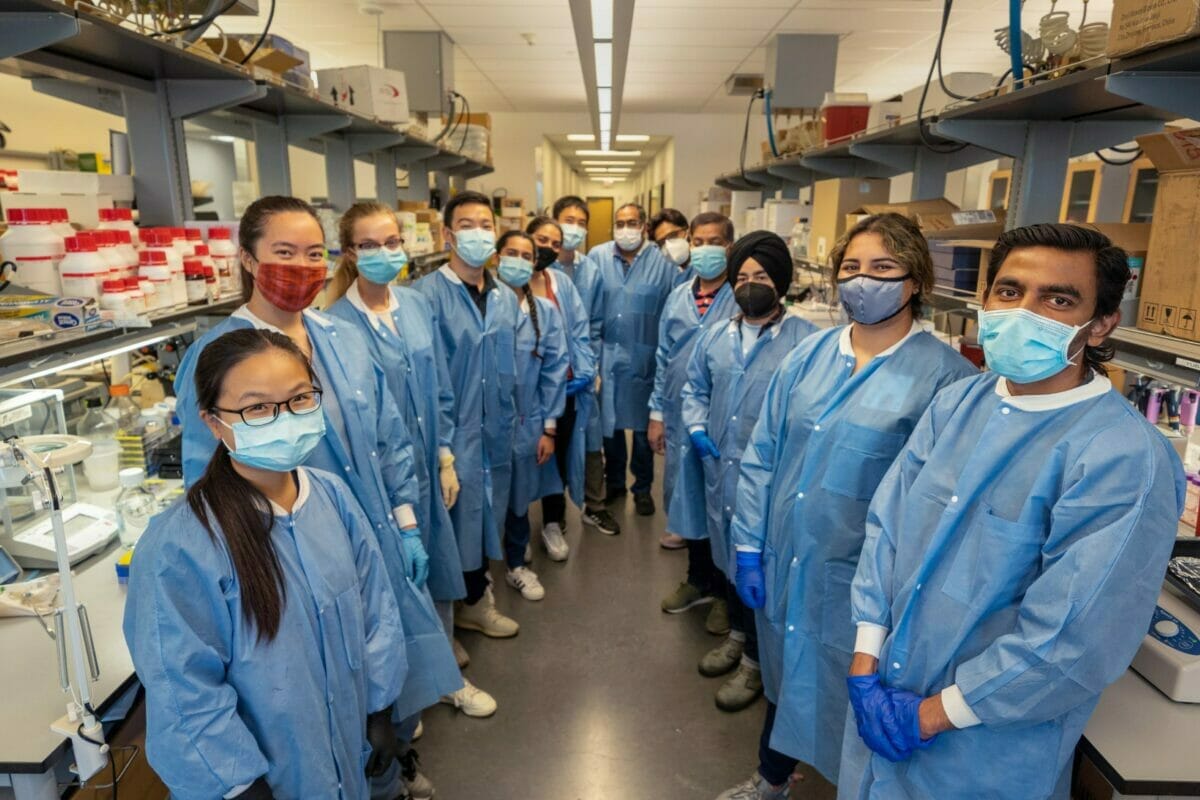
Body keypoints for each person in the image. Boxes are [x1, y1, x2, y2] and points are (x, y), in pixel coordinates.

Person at [840, 224, 1185, 799]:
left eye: (1058, 299)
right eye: (1008, 291)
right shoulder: (958, 403)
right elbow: (887, 530)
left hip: (980, 748)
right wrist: (864, 660)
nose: (1023, 311)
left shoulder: (1121, 457)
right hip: (882, 695)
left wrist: (930, 715)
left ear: (1100, 323)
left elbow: (1075, 639)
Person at [173, 197, 463, 752]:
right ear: (249, 260)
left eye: (313, 254)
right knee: (323, 692)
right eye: (283, 252)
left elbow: (389, 438)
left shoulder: (342, 337)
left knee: (390, 669)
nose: (301, 267)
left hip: (372, 537)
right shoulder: (217, 355)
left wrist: (404, 523)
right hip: (286, 556)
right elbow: (202, 476)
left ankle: (389, 770)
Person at [718, 214, 977, 800]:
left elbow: (938, 505)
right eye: (852, 268)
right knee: (788, 680)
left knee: (854, 692)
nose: (864, 280)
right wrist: (749, 545)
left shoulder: (947, 381)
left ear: (916, 281)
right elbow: (762, 456)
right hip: (789, 564)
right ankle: (772, 779)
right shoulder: (806, 358)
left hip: (870, 586)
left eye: (883, 268)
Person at [126, 328, 406, 800]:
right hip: (262, 783)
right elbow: (183, 689)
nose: (285, 419)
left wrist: (379, 709)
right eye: (256, 408)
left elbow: (376, 610)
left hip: (343, 757)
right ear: (214, 423)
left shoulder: (332, 497)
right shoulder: (181, 546)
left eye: (300, 399)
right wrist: (238, 784)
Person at [323, 201, 477, 790]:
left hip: (426, 470)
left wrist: (444, 457)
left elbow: (436, 385)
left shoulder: (414, 306)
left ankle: (441, 681)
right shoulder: (336, 324)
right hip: (381, 481)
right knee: (392, 595)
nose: (386, 252)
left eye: (392, 240)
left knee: (436, 570)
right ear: (349, 254)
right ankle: (403, 705)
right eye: (370, 244)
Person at [679, 231, 817, 714]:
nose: (749, 285)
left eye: (760, 276)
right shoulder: (715, 335)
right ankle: (738, 637)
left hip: (772, 483)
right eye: (741, 277)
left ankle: (758, 663)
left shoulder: (806, 343)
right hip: (721, 472)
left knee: (761, 570)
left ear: (780, 282)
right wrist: (696, 427)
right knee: (729, 562)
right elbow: (694, 388)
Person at [414, 191, 523, 658]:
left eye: (486, 224)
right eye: (468, 224)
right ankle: (443, 625)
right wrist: (442, 450)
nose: (478, 232)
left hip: (493, 436)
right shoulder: (423, 297)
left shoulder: (502, 296)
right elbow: (427, 381)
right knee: (445, 530)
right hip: (450, 437)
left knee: (481, 525)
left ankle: (476, 603)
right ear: (448, 234)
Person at [651, 212, 739, 631]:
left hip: (723, 417)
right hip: (676, 413)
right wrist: (655, 414)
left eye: (715, 241)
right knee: (685, 496)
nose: (705, 249)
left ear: (730, 246)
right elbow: (663, 357)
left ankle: (724, 591)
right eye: (698, 241)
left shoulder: (741, 297)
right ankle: (698, 580)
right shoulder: (678, 296)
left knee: (720, 504)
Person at [588, 202, 678, 516]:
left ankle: (642, 488)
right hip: (607, 357)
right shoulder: (597, 257)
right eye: (620, 222)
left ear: (643, 226)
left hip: (647, 356)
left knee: (644, 430)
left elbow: (674, 305)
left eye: (633, 222)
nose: (626, 228)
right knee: (610, 427)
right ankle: (615, 484)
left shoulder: (662, 261)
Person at [494, 229, 569, 599]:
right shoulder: (482, 306)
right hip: (484, 423)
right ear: (496, 258)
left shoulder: (546, 312)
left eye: (526, 255)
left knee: (520, 494)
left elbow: (554, 372)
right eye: (511, 253)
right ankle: (480, 577)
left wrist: (549, 428)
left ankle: (516, 564)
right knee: (484, 498)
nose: (519, 261)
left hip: (527, 420)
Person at [526, 216, 598, 561]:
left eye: (556, 244)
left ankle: (552, 523)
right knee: (523, 457)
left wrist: (585, 370)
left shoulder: (561, 283)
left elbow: (580, 329)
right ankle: (516, 529)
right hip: (523, 393)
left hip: (563, 388)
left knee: (556, 457)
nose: (548, 249)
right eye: (542, 240)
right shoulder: (500, 285)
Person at [555, 196, 621, 537]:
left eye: (582, 222)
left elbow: (595, 324)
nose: (575, 228)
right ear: (553, 221)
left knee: (591, 436)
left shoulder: (590, 271)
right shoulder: (540, 269)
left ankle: (595, 505)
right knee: (551, 437)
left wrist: (590, 367)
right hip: (547, 371)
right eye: (569, 219)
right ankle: (553, 517)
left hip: (583, 367)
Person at [648, 207, 694, 289]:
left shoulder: (701, 269)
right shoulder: (674, 273)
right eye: (662, 242)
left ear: (688, 231)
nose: (669, 245)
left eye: (673, 235)